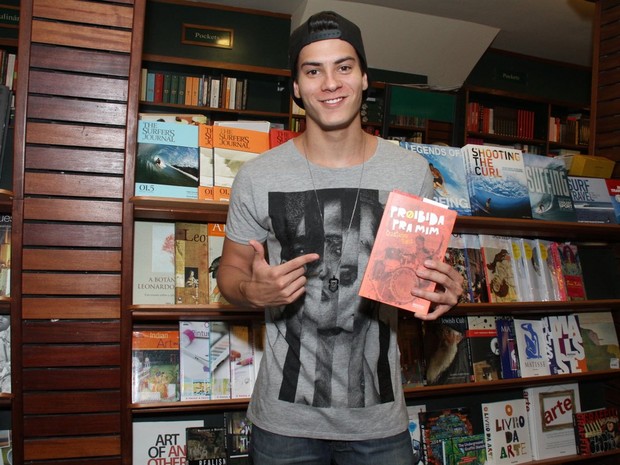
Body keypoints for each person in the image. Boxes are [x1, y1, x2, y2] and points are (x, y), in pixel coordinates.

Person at [216, 10, 464, 465]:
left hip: (379, 421)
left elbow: (422, 280)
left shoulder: (410, 173)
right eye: (313, 71)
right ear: (296, 87)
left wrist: (443, 292)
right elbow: (230, 274)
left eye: (344, 67)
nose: (330, 82)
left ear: (365, 78)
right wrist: (252, 290)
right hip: (283, 423)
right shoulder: (256, 177)